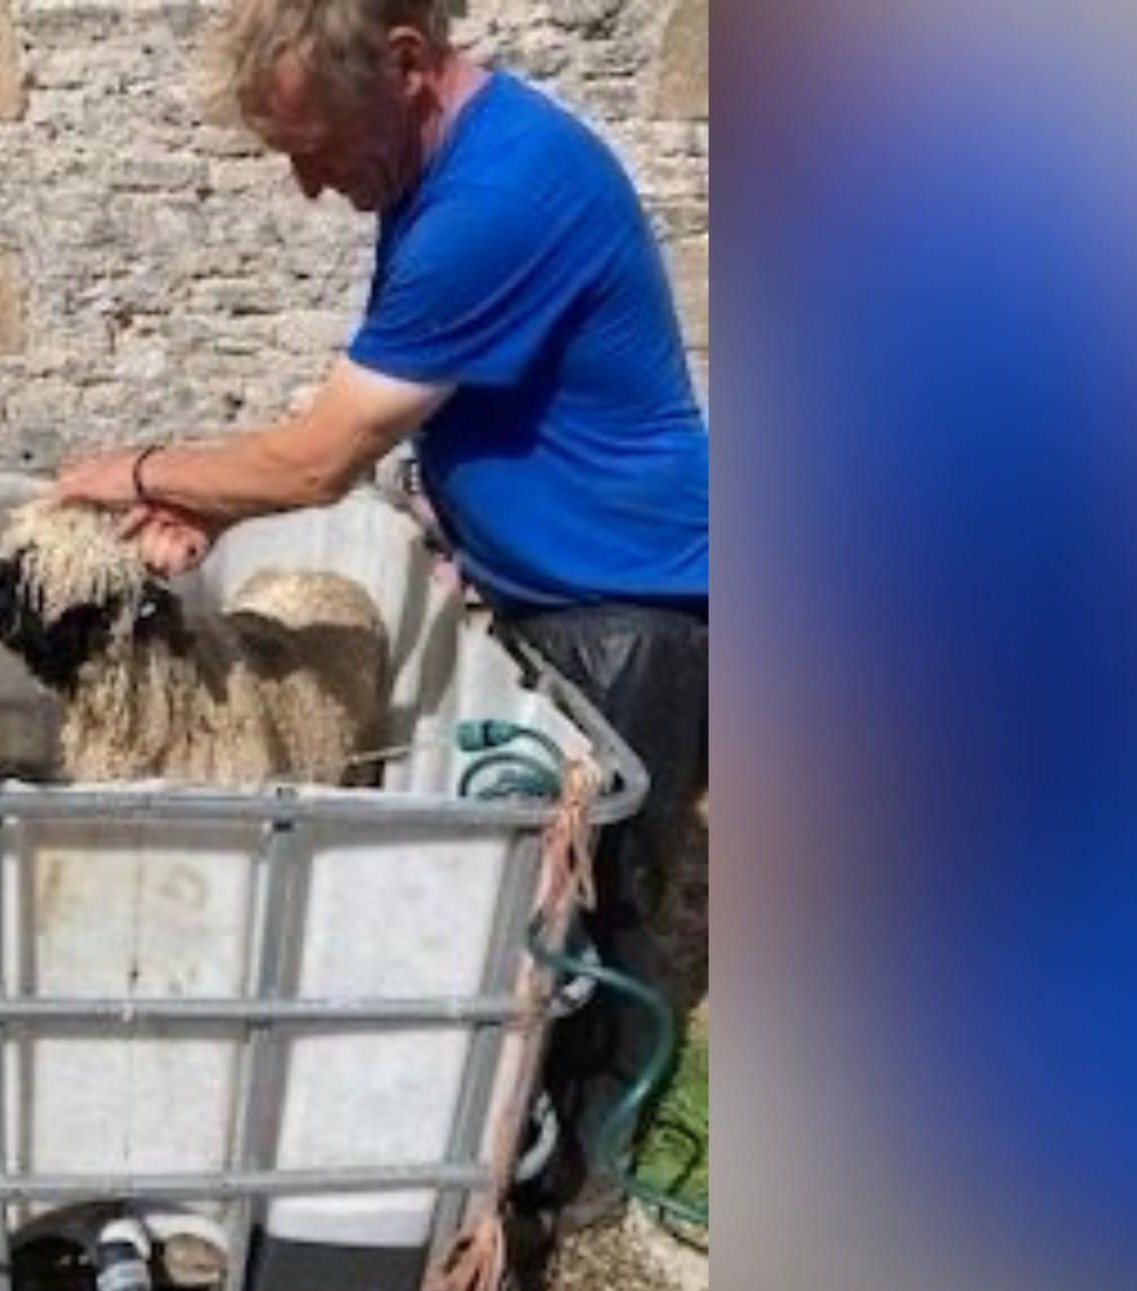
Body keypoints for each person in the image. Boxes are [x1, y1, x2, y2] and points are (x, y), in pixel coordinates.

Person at [54, 0, 707, 1215]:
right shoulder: (454, 165)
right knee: (539, 888)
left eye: (314, 146)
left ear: (406, 65)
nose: (306, 187)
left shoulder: (494, 198)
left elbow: (317, 459)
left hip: (627, 601)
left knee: (595, 910)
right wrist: (227, 506)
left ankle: (571, 1178)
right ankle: (503, 1122)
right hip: (560, 581)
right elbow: (382, 413)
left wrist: (137, 472)